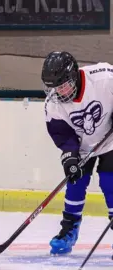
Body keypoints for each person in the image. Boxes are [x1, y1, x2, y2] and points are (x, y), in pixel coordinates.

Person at [41, 51, 113, 255]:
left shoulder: (104, 77)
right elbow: (62, 134)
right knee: (75, 181)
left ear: (73, 76)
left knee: (110, 181)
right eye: (52, 88)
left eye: (62, 86)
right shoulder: (53, 103)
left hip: (111, 140)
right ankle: (69, 228)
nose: (58, 92)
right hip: (81, 145)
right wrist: (70, 156)